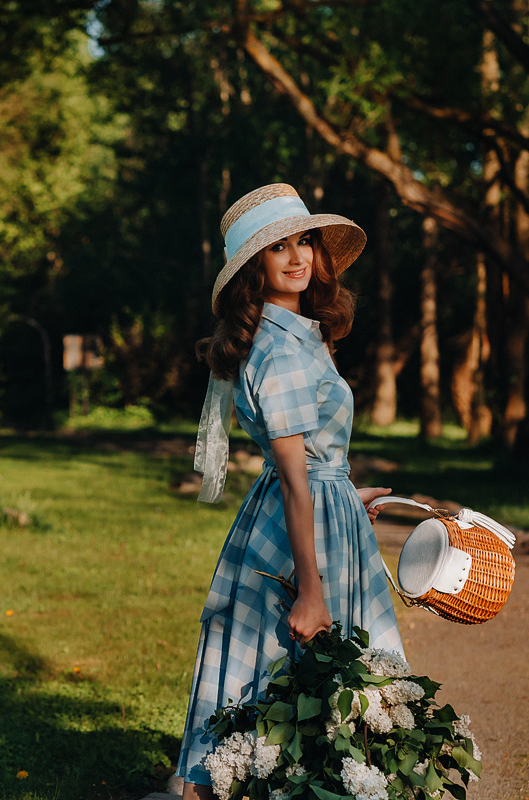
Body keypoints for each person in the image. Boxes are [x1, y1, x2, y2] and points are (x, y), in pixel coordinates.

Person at [177, 183, 404, 799]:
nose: (298, 256)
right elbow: (295, 477)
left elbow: (312, 464)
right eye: (280, 248)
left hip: (320, 509)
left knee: (309, 675)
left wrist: (346, 497)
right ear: (255, 269)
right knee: (294, 661)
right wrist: (309, 590)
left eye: (305, 241)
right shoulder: (278, 351)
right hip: (297, 520)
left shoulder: (299, 336)